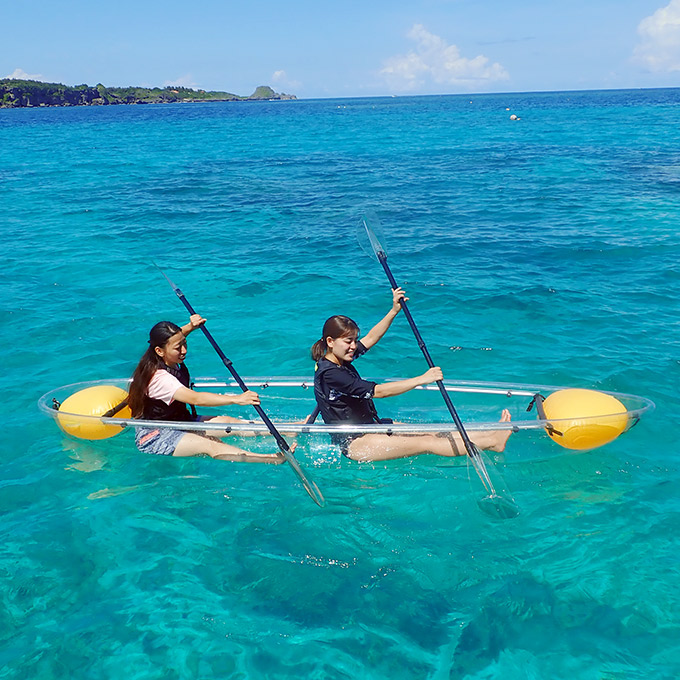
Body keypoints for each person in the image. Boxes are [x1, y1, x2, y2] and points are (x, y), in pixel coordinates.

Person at [311, 287, 512, 462]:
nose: (354, 346)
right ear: (330, 341)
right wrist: (422, 379)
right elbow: (378, 392)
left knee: (431, 431)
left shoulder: (340, 358)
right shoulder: (331, 374)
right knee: (427, 442)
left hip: (372, 427)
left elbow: (372, 337)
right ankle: (494, 443)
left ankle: (490, 434)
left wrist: (394, 311)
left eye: (355, 340)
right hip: (356, 443)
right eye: (348, 341)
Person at [128, 315, 284, 463]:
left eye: (185, 343)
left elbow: (174, 339)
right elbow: (196, 399)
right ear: (159, 351)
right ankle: (271, 459)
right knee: (211, 444)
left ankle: (288, 429)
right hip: (155, 436)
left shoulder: (166, 355)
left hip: (180, 421)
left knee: (231, 422)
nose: (184, 350)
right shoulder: (160, 379)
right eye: (178, 348)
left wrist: (190, 327)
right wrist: (236, 399)